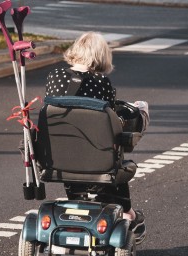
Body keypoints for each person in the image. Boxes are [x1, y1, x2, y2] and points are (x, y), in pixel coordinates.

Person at [44, 31, 148, 239]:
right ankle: (127, 214)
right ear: (101, 56)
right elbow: (110, 120)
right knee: (117, 165)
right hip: (96, 158)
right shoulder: (101, 82)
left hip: (59, 156)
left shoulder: (55, 76)